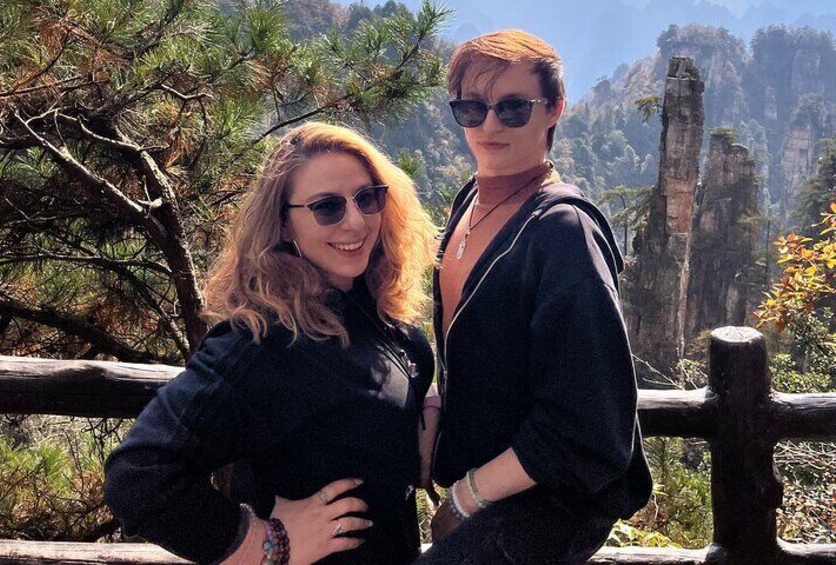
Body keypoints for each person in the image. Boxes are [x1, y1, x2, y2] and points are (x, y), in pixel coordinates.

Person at [104, 122, 437, 565]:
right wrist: (267, 543)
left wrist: (425, 407)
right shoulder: (266, 341)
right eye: (327, 207)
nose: (356, 221)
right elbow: (138, 477)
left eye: (367, 197)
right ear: (283, 224)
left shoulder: (376, 314)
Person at [416, 30, 653, 564]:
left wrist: (468, 495)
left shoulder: (564, 233)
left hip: (546, 503)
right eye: (471, 109)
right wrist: (435, 401)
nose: (490, 125)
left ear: (554, 109)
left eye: (513, 108)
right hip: (490, 480)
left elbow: (588, 425)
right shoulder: (470, 201)